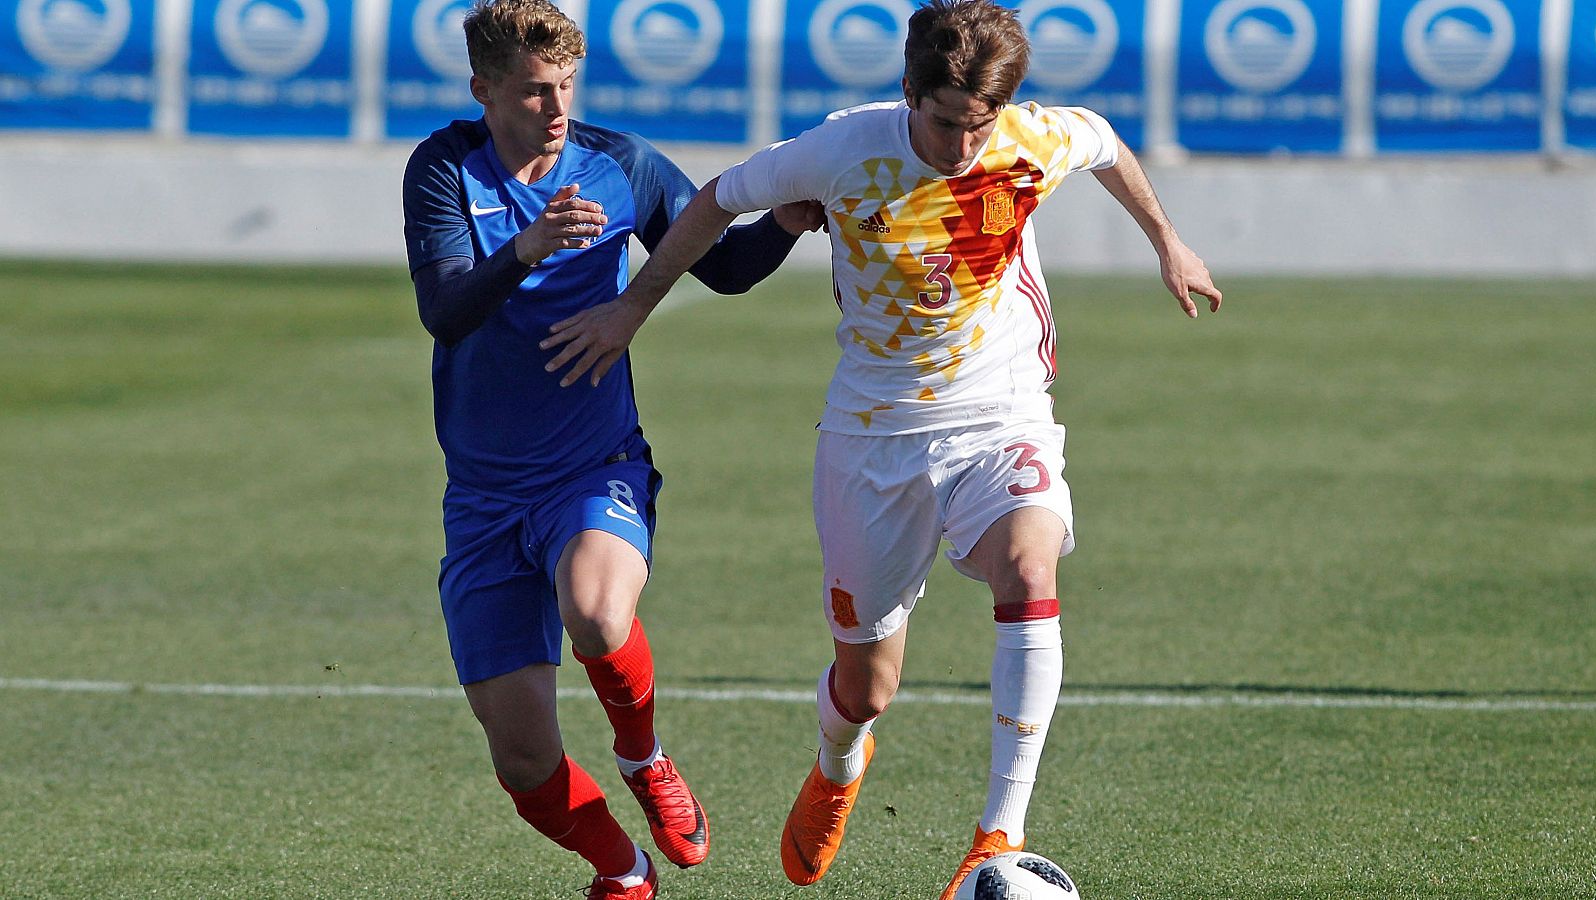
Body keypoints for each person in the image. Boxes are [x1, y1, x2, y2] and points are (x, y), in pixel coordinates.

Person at [539, 0, 1221, 896]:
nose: (963, 147)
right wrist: (633, 307)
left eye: (979, 127)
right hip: (873, 436)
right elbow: (713, 203)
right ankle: (838, 760)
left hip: (1000, 410)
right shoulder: (840, 148)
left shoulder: (1031, 137)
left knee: (1030, 567)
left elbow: (1107, 146)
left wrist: (1168, 240)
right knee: (866, 687)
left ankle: (996, 836)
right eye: (944, 124)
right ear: (910, 93)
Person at [400, 2, 820, 898]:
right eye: (532, 91)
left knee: (597, 612)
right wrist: (528, 246)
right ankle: (624, 871)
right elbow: (445, 311)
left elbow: (724, 268)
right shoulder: (443, 168)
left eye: (565, 88)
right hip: (480, 499)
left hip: (592, 469)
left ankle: (645, 757)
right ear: (484, 91)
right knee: (522, 763)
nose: (555, 109)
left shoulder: (621, 163)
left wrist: (784, 222)